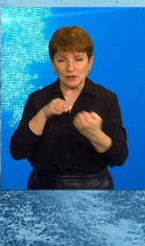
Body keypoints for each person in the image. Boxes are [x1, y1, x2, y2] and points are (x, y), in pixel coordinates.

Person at [9, 25, 128, 189]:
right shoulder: (38, 99)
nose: (70, 68)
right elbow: (17, 151)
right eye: (62, 60)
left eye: (78, 59)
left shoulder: (107, 99)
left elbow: (120, 157)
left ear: (90, 62)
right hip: (44, 187)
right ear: (53, 64)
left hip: (95, 187)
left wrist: (94, 133)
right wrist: (43, 114)